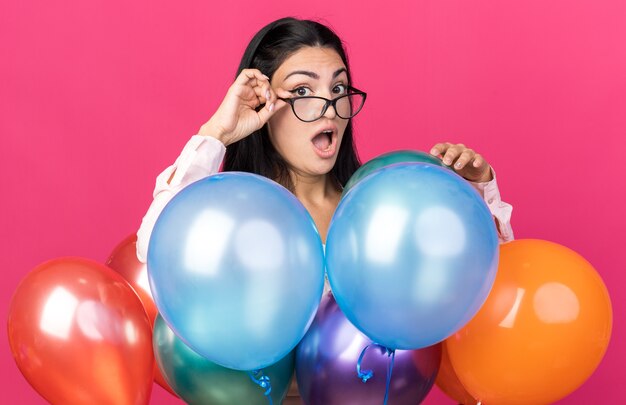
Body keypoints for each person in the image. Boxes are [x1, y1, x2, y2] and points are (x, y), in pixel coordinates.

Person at [135, 16, 513, 403]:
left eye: (338, 88)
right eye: (302, 90)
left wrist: (477, 193)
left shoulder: (380, 214)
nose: (328, 108)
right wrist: (216, 133)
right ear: (264, 105)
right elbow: (155, 247)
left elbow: (480, 292)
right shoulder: (236, 222)